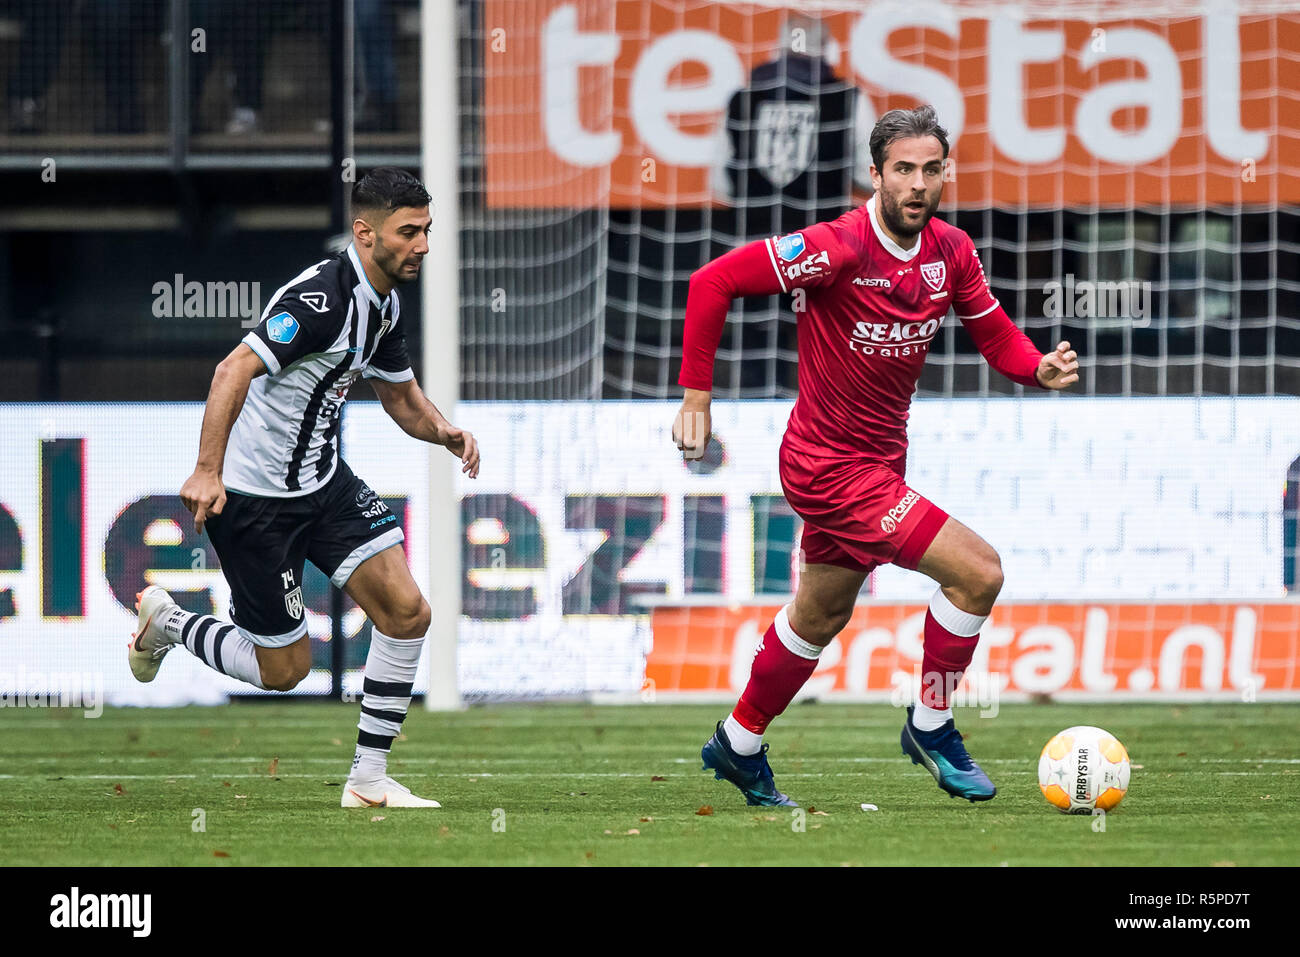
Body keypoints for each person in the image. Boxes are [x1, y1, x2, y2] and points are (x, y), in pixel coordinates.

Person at [673, 105, 1079, 806]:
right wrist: (696, 397)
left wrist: (1035, 367)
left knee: (819, 615)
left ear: (945, 172)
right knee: (979, 573)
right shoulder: (836, 247)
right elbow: (713, 281)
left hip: (881, 462)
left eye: (930, 169)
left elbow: (996, 336)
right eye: (903, 170)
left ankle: (738, 742)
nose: (918, 184)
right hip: (827, 465)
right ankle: (932, 723)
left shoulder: (951, 252)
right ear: (876, 175)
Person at [129, 167, 479, 809]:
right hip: (255, 501)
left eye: (427, 230)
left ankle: (368, 783)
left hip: (324, 484)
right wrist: (207, 470)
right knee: (283, 671)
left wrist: (443, 431)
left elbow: (399, 397)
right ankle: (170, 622)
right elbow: (232, 368)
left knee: (407, 614)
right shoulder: (320, 301)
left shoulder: (387, 305)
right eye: (409, 232)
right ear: (365, 233)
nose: (423, 245)